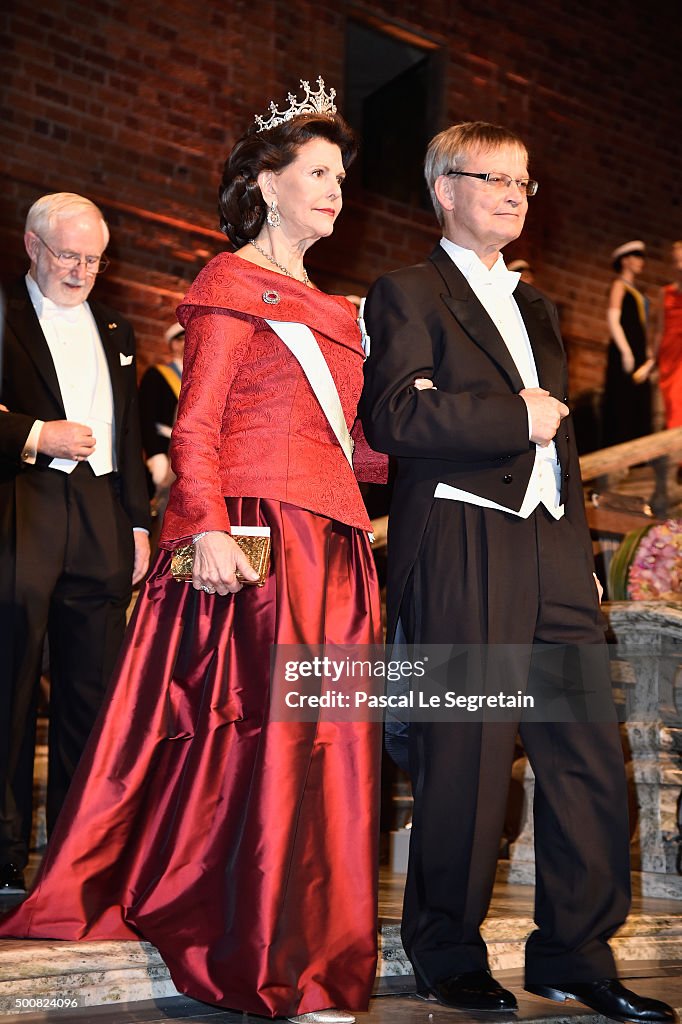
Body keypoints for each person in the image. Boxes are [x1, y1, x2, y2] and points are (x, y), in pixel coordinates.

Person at [0, 79, 387, 1024]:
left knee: (331, 751)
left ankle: (315, 953)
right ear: (266, 181)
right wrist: (203, 525)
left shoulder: (343, 307)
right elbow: (198, 421)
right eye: (318, 173)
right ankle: (257, 948)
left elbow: (361, 446)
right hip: (255, 537)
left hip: (334, 544)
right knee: (262, 744)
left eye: (342, 175)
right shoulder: (227, 280)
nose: (337, 190)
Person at [360, 121, 674, 1020]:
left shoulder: (538, 308)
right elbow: (395, 421)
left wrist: (570, 537)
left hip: (551, 546)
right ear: (442, 190)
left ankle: (573, 952)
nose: (514, 193)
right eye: (492, 177)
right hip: (463, 542)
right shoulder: (406, 291)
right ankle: (447, 950)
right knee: (468, 756)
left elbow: (526, 432)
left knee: (587, 757)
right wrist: (512, 416)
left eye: (525, 182)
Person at [0, 193, 151, 894]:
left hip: (101, 514)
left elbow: (126, 434)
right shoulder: (2, 312)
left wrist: (139, 524)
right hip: (21, 503)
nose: (81, 270)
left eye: (93, 259)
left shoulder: (118, 326)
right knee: (11, 678)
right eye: (68, 255)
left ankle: (76, 852)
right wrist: (36, 434)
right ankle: (3, 851)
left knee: (92, 689)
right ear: (32, 247)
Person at [602, 240, 653, 447]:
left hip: (638, 350)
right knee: (622, 399)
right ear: (625, 260)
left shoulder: (637, 291)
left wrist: (647, 353)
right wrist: (626, 351)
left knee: (640, 400)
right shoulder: (618, 285)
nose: (641, 262)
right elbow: (613, 319)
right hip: (625, 350)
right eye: (636, 257)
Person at [138, 321, 184, 529]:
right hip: (164, 453)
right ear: (173, 344)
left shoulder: (200, 378)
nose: (188, 344)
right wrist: (155, 454)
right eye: (182, 340)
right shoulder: (157, 374)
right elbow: (144, 417)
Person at [656, 240, 682, 429]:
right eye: (677, 261)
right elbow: (660, 328)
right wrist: (651, 359)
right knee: (672, 398)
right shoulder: (665, 293)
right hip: (670, 349)